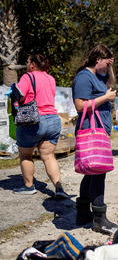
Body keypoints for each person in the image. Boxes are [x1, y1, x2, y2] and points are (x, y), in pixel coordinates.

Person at [72, 44, 118, 235]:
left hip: (99, 129)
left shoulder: (97, 75)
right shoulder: (84, 77)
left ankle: (83, 213)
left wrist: (111, 66)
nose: (108, 67)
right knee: (99, 172)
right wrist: (106, 98)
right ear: (97, 60)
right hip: (90, 130)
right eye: (106, 63)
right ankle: (100, 218)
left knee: (92, 172)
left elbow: (111, 81)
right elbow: (80, 106)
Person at [13, 54, 69, 199]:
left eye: (27, 62)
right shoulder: (50, 78)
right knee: (49, 156)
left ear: (32, 65)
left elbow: (19, 96)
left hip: (33, 120)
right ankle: (59, 188)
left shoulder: (27, 76)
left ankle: (29, 186)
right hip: (53, 119)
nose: (26, 64)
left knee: (26, 154)